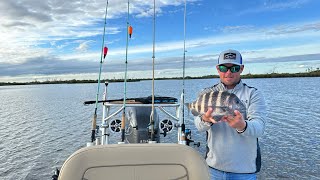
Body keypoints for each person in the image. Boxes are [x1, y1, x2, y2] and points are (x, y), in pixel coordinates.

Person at [194, 49, 267, 180]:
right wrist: (205, 120)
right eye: (223, 68)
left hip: (245, 171)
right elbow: (199, 127)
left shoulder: (253, 94)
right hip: (213, 168)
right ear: (217, 69)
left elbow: (259, 128)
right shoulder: (207, 93)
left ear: (241, 69)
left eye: (234, 68)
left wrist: (242, 126)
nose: (228, 72)